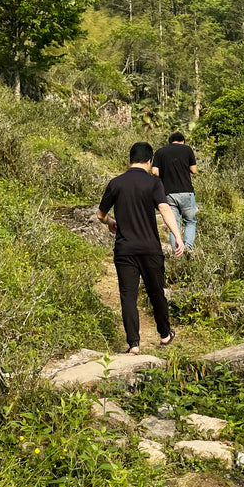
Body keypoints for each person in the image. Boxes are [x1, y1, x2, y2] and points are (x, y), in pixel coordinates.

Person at [98, 142, 185, 354]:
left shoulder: (115, 183)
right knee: (156, 293)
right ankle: (165, 334)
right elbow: (164, 208)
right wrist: (178, 236)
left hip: (125, 250)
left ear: (129, 160)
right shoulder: (154, 183)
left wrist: (110, 222)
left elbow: (100, 214)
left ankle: (134, 344)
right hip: (150, 249)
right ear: (149, 161)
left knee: (128, 297)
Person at [152, 131, 198, 254]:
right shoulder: (187, 150)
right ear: (182, 141)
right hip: (186, 192)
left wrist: (166, 173)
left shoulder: (160, 152)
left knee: (174, 224)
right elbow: (194, 170)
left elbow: (155, 171)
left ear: (170, 141)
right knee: (190, 221)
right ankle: (188, 248)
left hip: (168, 194)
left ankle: (176, 252)